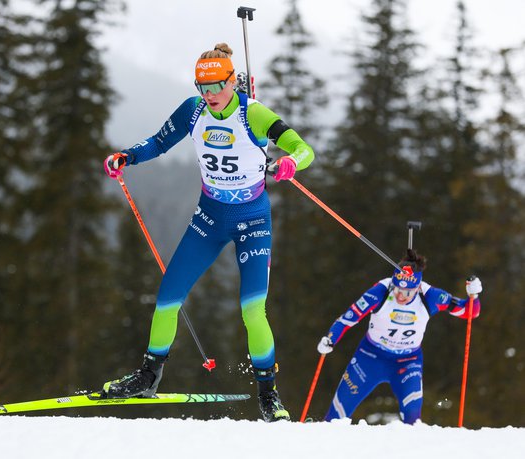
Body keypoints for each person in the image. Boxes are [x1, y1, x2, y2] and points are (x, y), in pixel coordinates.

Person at [101, 43, 316, 422]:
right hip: (210, 217)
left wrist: (288, 164)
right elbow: (157, 142)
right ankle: (149, 376)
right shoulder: (194, 110)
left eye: (217, 86)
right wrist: (127, 156)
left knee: (252, 310)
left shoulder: (254, 114)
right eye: (203, 87)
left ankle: (269, 396)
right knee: (168, 297)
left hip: (252, 219)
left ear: (233, 81)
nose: (210, 95)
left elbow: (302, 148)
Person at [316, 249, 483, 424]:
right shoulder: (379, 292)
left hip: (408, 360)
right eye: (397, 289)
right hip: (370, 357)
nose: (401, 296)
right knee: (335, 416)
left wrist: (474, 295)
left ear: (417, 287)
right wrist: (330, 339)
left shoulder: (431, 296)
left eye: (408, 292)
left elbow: (469, 312)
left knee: (412, 419)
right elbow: (348, 318)